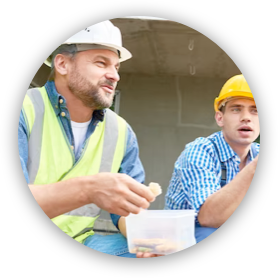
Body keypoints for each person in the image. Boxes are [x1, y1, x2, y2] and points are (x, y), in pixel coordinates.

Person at [18, 20, 156, 258]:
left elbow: (127, 213)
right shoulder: (26, 110)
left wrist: (144, 239)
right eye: (101, 63)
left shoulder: (121, 132)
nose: (114, 76)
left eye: (117, 67)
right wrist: (90, 189)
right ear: (62, 63)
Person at [165, 74, 260, 243]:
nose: (246, 117)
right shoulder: (201, 150)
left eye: (255, 110)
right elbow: (209, 218)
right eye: (236, 109)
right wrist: (253, 168)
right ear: (220, 118)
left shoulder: (256, 152)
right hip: (181, 237)